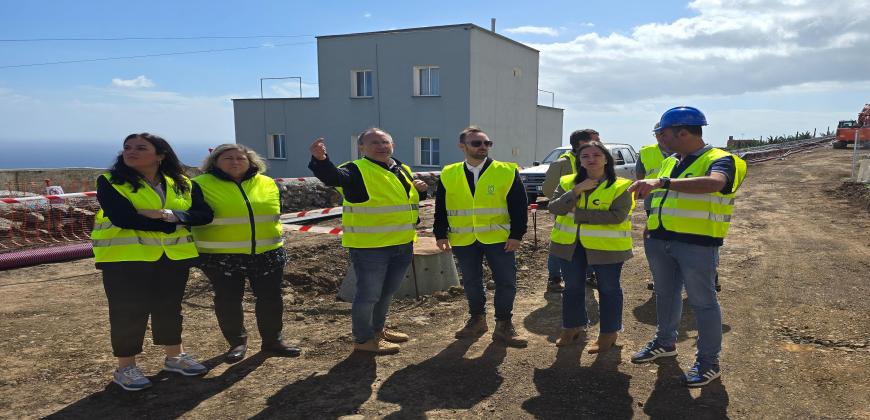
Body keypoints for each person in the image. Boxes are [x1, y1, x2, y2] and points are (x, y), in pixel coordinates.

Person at [628, 106, 746, 388]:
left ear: (682, 132)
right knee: (665, 295)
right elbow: (663, 198)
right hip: (660, 240)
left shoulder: (722, 159)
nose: (659, 137)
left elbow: (715, 184)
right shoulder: (671, 161)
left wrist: (662, 182)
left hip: (697, 243)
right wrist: (650, 225)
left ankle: (708, 362)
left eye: (663, 133)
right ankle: (665, 342)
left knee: (703, 303)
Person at [91, 133, 214, 391]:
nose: (130, 151)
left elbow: (203, 215)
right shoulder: (110, 181)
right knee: (128, 312)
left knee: (169, 308)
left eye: (140, 147)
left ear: (160, 155)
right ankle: (125, 367)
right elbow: (123, 218)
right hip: (125, 259)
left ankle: (174, 357)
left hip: (172, 257)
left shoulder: (182, 182)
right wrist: (171, 225)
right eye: (127, 147)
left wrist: (167, 215)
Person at [309, 128, 428, 355]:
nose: (381, 146)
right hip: (370, 247)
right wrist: (321, 160)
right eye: (374, 142)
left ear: (392, 145)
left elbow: (404, 200)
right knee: (369, 295)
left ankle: (378, 330)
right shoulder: (355, 170)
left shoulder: (401, 168)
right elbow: (333, 177)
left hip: (402, 243)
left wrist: (420, 190)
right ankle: (363, 340)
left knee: (386, 293)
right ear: (361, 147)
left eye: (385, 142)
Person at [192, 144, 301, 363]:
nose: (235, 162)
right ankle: (237, 343)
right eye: (228, 158)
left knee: (271, 299)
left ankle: (273, 340)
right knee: (228, 300)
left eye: (240, 158)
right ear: (214, 162)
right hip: (221, 256)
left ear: (251, 161)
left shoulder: (267, 183)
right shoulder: (199, 185)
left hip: (267, 253)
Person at [434, 126, 529, 348]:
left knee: (506, 282)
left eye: (487, 143)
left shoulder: (506, 170)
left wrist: (517, 234)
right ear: (462, 146)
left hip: (499, 238)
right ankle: (477, 320)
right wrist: (440, 233)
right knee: (471, 282)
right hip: (464, 239)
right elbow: (441, 206)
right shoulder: (449, 173)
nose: (483, 147)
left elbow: (519, 206)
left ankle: (504, 325)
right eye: (477, 143)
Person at [547, 141, 634, 353]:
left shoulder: (621, 185)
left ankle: (608, 334)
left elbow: (617, 216)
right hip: (569, 246)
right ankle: (572, 328)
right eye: (585, 156)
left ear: (606, 159)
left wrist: (579, 214)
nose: (591, 159)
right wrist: (577, 190)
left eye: (596, 154)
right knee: (573, 288)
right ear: (579, 160)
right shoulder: (567, 181)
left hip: (607, 247)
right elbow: (554, 207)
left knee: (609, 289)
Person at [542, 129, 600, 292]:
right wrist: (568, 199)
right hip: (567, 213)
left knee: (589, 243)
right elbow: (548, 190)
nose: (600, 143)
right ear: (582, 143)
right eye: (596, 140)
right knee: (561, 243)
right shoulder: (562, 163)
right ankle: (554, 278)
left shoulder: (597, 160)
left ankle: (590, 275)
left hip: (589, 213)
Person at [636, 123, 671, 291]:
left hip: (680, 203)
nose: (662, 136)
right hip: (654, 203)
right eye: (658, 133)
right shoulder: (646, 152)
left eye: (665, 132)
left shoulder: (686, 151)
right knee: (655, 238)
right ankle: (659, 275)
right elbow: (640, 175)